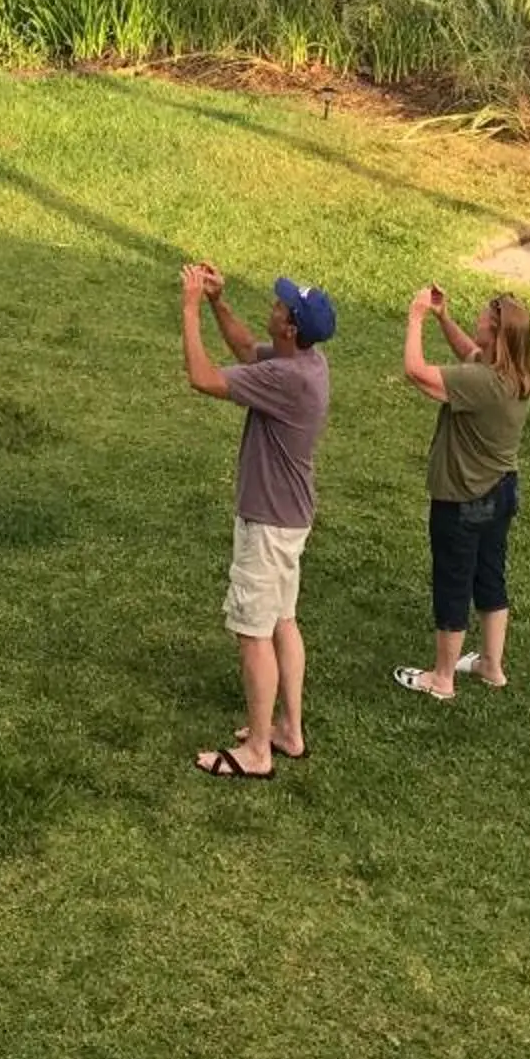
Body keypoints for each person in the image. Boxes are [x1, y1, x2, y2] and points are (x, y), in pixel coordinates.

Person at [177, 260, 332, 779]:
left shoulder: (286, 379)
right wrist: (221, 303)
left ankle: (258, 752)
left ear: (290, 328)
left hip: (267, 523)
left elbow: (202, 378)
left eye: (279, 305)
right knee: (283, 621)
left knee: (253, 632)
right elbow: (246, 350)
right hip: (290, 518)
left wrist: (191, 307)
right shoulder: (308, 363)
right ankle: (290, 730)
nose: (273, 306)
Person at [393, 285, 530, 700]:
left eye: (483, 319)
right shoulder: (514, 374)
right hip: (501, 492)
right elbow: (469, 353)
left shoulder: (484, 383)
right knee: (490, 576)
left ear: (496, 332)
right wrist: (443, 318)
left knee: (453, 581)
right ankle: (491, 666)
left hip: (464, 499)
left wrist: (417, 316)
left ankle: (442, 678)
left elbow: (416, 371)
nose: (477, 321)